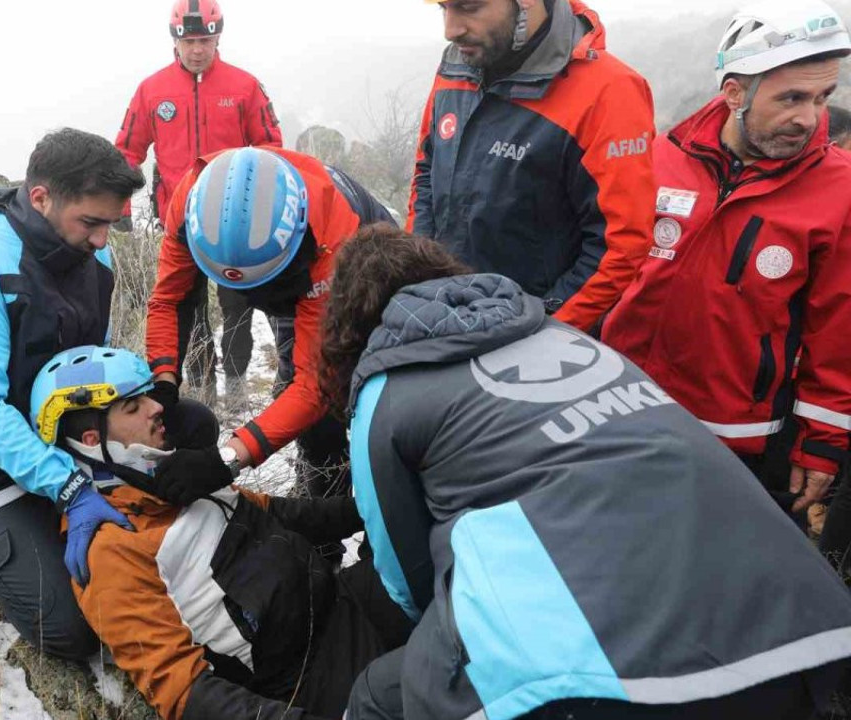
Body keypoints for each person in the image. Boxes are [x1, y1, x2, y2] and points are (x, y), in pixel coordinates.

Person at [315, 225, 851, 720]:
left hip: (597, 673)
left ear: (352, 322)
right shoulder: (568, 338)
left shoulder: (385, 393)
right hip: (795, 626)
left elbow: (405, 573)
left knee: (376, 695)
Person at [28, 345, 411, 720]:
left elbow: (280, 514)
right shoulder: (111, 548)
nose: (157, 408)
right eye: (133, 407)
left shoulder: (177, 476)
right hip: (309, 680)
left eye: (147, 397)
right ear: (92, 443)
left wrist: (373, 509)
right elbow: (179, 689)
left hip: (343, 601)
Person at [602, 1, 851, 523]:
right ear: (735, 92)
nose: (810, 117)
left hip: (739, 443)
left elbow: (840, 334)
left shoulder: (840, 190)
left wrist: (822, 445)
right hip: (620, 415)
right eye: (791, 98)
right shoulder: (660, 156)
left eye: (822, 97)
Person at [0, 128, 149, 661]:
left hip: (50, 439)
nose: (104, 241)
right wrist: (70, 488)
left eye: (112, 222)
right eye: (91, 222)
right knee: (73, 633)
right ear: (41, 198)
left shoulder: (94, 258)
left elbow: (86, 371)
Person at [146, 147, 395, 519]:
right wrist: (163, 388)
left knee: (356, 407)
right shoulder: (191, 205)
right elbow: (168, 300)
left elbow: (315, 385)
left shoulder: (335, 237)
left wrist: (226, 459)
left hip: (358, 272)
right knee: (295, 397)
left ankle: (360, 521)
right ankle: (319, 505)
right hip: (285, 267)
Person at [409, 0, 656, 332]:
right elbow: (427, 170)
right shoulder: (457, 66)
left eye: (469, 7)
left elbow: (619, 246)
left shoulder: (608, 93)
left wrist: (542, 328)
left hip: (535, 339)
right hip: (448, 316)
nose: (450, 30)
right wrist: (420, 277)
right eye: (444, 8)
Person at [116, 0, 285, 405]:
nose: (196, 49)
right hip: (180, 223)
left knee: (237, 307)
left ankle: (238, 384)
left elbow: (271, 149)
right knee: (187, 311)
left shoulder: (244, 86)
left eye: (204, 40)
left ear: (218, 38)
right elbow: (126, 151)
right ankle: (204, 388)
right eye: (189, 41)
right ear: (175, 41)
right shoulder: (152, 90)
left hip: (235, 224)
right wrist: (122, 210)